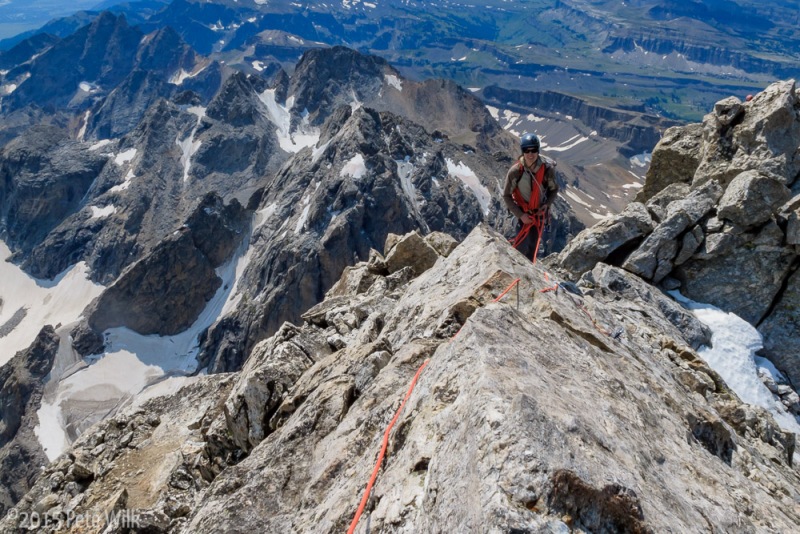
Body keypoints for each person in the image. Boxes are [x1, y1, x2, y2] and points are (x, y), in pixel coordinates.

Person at [503, 132, 559, 261]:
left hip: (538, 216)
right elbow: (506, 195)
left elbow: (554, 189)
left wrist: (547, 205)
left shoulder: (547, 169)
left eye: (533, 150)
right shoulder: (516, 171)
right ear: (522, 151)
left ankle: (528, 276)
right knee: (520, 248)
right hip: (522, 215)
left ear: (538, 150)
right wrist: (521, 215)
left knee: (533, 248)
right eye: (526, 150)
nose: (530, 154)